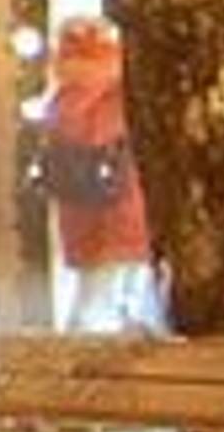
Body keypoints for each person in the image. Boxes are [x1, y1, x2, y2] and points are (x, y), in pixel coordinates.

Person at [18, 17, 158, 335]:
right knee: (114, 290)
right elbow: (108, 135)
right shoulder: (116, 95)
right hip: (121, 203)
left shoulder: (64, 97)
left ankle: (89, 340)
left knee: (95, 290)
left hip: (84, 209)